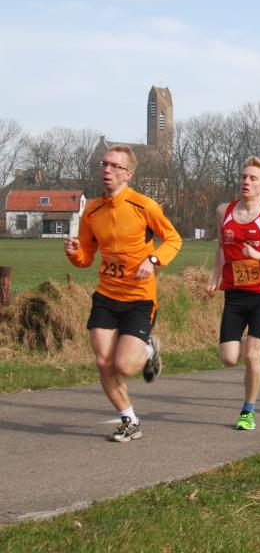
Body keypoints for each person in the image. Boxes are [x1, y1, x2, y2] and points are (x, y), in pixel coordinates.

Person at [64, 145, 182, 442]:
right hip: (106, 294)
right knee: (103, 363)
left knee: (124, 366)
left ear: (128, 174)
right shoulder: (91, 210)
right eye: (105, 164)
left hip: (139, 297)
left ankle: (150, 350)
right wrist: (75, 253)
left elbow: (173, 239)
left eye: (115, 166)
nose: (107, 170)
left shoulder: (145, 206)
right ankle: (129, 420)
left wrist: (153, 259)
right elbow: (87, 257)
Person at [207, 157, 260, 430]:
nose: (246, 182)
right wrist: (215, 275)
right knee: (229, 358)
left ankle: (248, 410)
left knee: (251, 356)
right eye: (244, 177)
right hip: (234, 293)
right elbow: (222, 247)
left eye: (253, 179)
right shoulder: (224, 211)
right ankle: (259, 342)